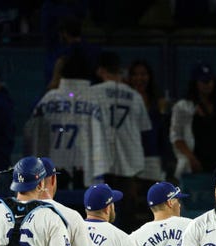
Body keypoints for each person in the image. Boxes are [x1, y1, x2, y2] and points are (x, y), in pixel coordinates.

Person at [24, 51, 110, 190]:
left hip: (52, 166)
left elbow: (31, 132)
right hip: (84, 168)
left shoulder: (49, 98)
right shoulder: (95, 99)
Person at [91, 51, 151, 232]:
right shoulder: (135, 95)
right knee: (126, 217)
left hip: (100, 163)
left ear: (101, 70)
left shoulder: (91, 93)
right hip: (129, 164)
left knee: (100, 214)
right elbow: (145, 130)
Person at [126, 59, 171, 183]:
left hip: (152, 155)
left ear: (149, 77)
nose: (139, 78)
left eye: (143, 74)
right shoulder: (125, 100)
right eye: (135, 74)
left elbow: (163, 132)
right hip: (129, 156)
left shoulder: (158, 101)